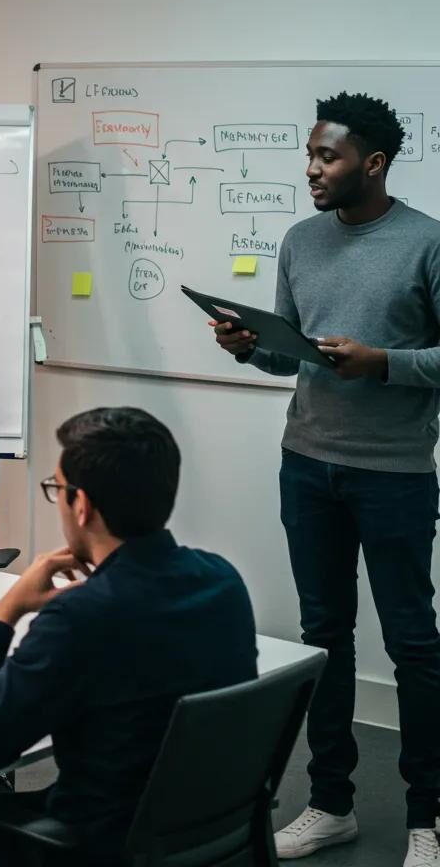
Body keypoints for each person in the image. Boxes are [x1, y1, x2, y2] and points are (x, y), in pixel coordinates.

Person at [0, 407, 258, 867]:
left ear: (83, 505)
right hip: (183, 827)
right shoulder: (222, 581)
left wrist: (4, 614)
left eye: (57, 490)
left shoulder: (81, 617)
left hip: (98, 847)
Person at [211, 92, 440, 867]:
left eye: (327, 156)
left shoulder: (427, 244)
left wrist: (385, 364)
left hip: (395, 475)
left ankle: (426, 819)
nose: (312, 169)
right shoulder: (300, 241)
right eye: (310, 154)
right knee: (324, 638)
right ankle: (332, 803)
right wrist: (249, 346)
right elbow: (291, 352)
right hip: (307, 465)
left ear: (372, 164)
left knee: (414, 645)